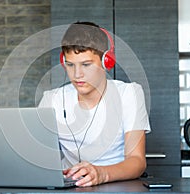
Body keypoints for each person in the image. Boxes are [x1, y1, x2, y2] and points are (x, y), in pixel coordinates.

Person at [38, 21, 151, 187]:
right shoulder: (51, 99)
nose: (77, 74)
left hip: (115, 185)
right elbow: (38, 157)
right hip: (68, 188)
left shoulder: (129, 94)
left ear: (107, 62)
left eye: (86, 65)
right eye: (70, 65)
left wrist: (101, 174)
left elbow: (137, 161)